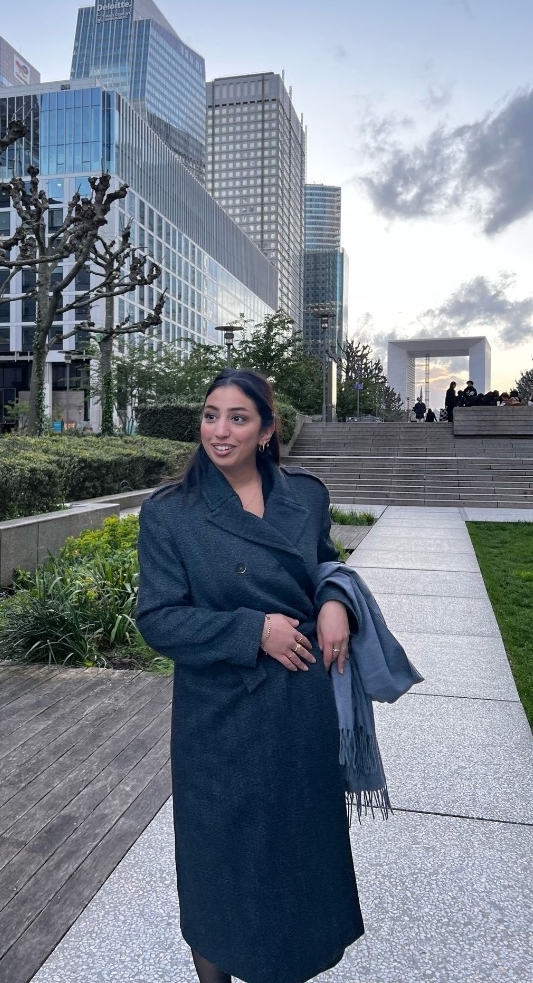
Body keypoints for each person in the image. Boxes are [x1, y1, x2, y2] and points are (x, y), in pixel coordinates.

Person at [137, 369, 364, 983]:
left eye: (238, 418)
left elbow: (324, 563)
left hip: (299, 709)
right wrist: (253, 632)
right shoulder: (170, 513)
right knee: (218, 864)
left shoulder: (305, 496)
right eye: (211, 415)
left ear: (267, 430)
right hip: (220, 717)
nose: (220, 430)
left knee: (296, 857)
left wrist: (334, 601)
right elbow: (158, 620)